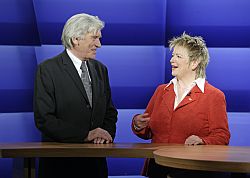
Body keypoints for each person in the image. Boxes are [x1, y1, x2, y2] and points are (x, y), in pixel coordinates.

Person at [132, 33, 230, 178]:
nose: (171, 60)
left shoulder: (214, 96)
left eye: (178, 56)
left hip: (192, 170)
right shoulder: (161, 91)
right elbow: (147, 131)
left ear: (194, 62)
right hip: (157, 168)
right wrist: (138, 125)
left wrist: (203, 141)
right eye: (172, 56)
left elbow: (222, 136)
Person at [34, 13, 118, 178]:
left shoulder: (101, 70)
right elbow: (44, 119)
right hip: (59, 166)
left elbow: (110, 112)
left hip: (95, 166)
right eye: (94, 38)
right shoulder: (48, 69)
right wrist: (86, 135)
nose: (99, 44)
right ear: (75, 39)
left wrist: (104, 135)